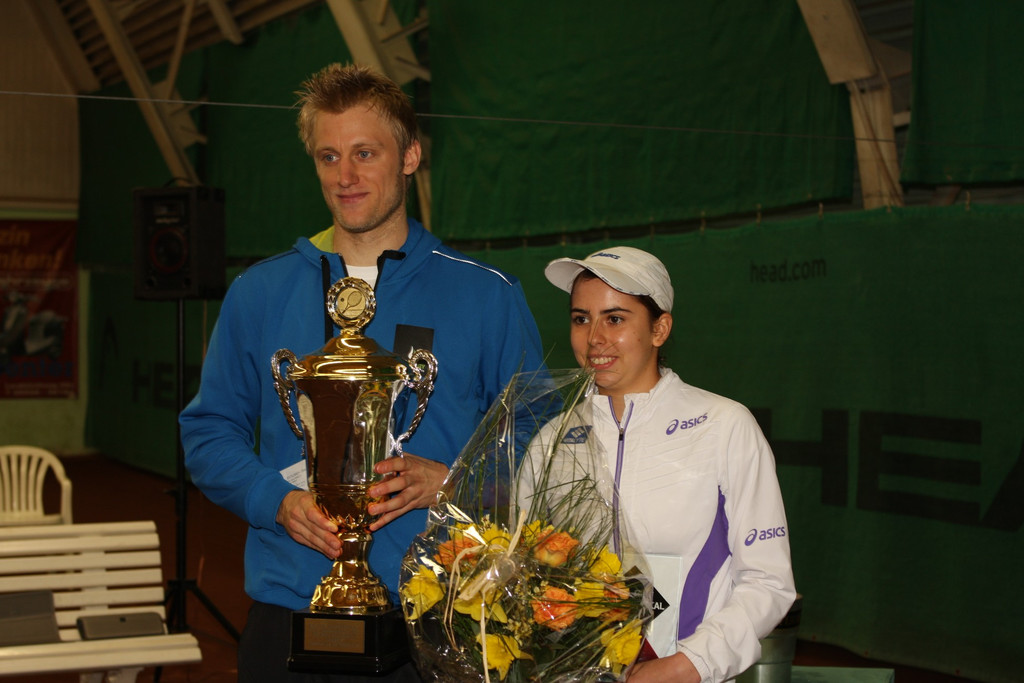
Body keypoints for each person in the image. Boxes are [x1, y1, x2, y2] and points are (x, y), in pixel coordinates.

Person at [179, 63, 546, 682]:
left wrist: (456, 481)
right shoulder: (259, 291)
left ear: (410, 156)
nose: (344, 176)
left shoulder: (487, 294)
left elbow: (540, 434)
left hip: (443, 609)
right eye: (328, 156)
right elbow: (208, 430)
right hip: (291, 606)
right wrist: (275, 501)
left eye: (364, 153)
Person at [542, 246, 796, 683]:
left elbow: (768, 582)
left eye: (615, 319)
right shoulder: (551, 442)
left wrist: (687, 665)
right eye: (581, 318)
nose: (595, 337)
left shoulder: (723, 426)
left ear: (659, 329)